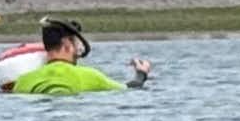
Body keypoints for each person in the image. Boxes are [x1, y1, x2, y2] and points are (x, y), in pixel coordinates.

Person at [9, 18, 150, 93]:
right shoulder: (91, 76)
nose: (78, 48)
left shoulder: (22, 82)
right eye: (76, 43)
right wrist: (141, 73)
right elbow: (132, 88)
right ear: (67, 44)